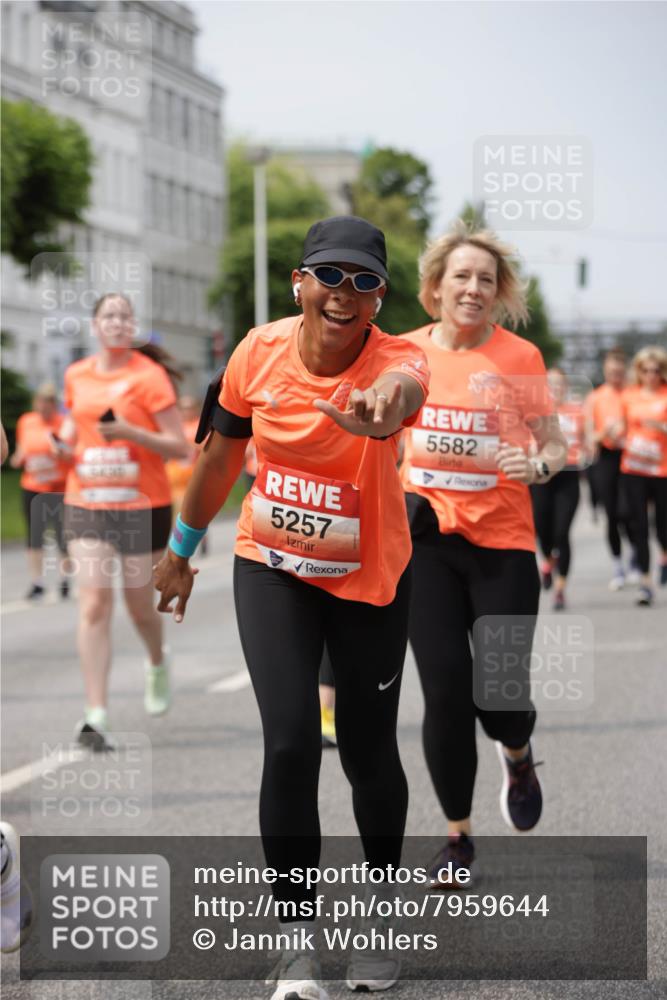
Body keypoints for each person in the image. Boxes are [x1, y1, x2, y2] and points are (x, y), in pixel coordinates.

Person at [154, 216, 430, 1000]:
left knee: (369, 752)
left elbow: (404, 389)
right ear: (299, 283)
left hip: (369, 575)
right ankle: (298, 943)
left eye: (364, 281)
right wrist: (178, 551)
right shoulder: (256, 351)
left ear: (379, 297)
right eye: (330, 276)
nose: (345, 295)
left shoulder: (397, 359)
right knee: (290, 745)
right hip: (272, 564)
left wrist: (384, 403)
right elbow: (217, 457)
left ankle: (380, 915)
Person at [399, 221, 567, 887]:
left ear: (498, 294)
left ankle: (518, 753)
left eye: (485, 280)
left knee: (497, 698)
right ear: (435, 287)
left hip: (501, 542)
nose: (472, 288)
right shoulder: (399, 353)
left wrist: (538, 464)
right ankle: (457, 838)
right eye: (460, 277)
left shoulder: (518, 358)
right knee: (442, 691)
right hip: (425, 540)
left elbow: (554, 442)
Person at [59, 293, 189, 748]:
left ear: (132, 326)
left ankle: (156, 660)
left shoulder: (149, 377)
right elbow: (75, 428)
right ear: (95, 326)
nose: (116, 322)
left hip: (142, 505)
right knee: (93, 603)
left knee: (139, 606)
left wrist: (132, 434)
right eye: (108, 316)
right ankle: (96, 713)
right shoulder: (76, 375)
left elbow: (180, 447)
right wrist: (63, 443)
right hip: (86, 501)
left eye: (124, 316)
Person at [531, 367, 588, 610]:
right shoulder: (535, 413)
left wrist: (587, 450)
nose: (555, 388)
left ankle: (560, 589)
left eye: (559, 384)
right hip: (542, 475)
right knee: (542, 530)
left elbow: (587, 438)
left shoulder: (576, 412)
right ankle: (547, 562)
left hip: (568, 473)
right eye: (550, 384)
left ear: (566, 386)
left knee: (562, 532)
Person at [9, 384, 71, 600]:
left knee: (62, 534)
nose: (43, 407)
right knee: (35, 535)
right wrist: (18, 458)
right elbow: (22, 448)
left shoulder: (63, 423)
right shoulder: (26, 421)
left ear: (54, 405)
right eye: (40, 402)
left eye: (48, 402)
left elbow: (69, 453)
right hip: (32, 485)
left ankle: (65, 579)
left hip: (58, 487)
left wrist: (60, 453)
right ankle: (37, 582)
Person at [619, 346, 667, 606]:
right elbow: (619, 428)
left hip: (661, 470)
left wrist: (661, 426)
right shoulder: (629, 396)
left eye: (656, 370)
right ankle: (646, 582)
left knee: (662, 526)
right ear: (638, 372)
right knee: (637, 523)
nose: (651, 375)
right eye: (645, 370)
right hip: (634, 468)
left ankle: (664, 555)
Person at [585, 348, 635, 589]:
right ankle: (618, 564)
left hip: (631, 455)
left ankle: (637, 554)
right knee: (612, 514)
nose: (615, 374)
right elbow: (589, 434)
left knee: (629, 512)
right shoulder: (596, 397)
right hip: (605, 457)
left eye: (619, 370)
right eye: (611, 370)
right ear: (605, 370)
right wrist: (605, 432)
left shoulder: (633, 394)